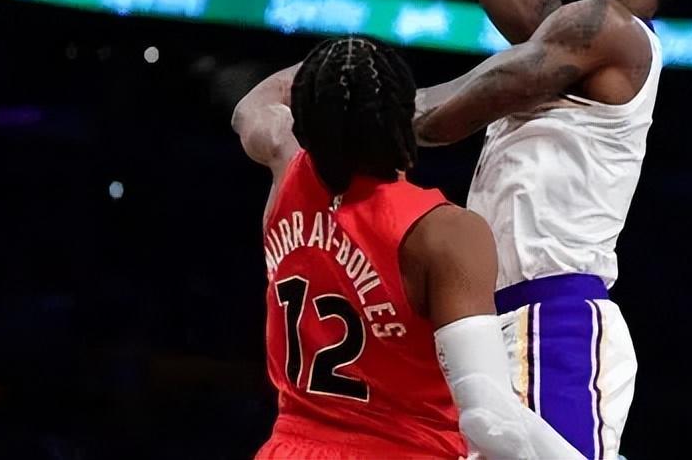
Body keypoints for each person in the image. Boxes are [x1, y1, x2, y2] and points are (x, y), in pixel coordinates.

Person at [414, 0, 691, 459]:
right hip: (490, 325)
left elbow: (444, 118)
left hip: (552, 320)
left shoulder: (611, 29)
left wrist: (358, 111)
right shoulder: (562, 30)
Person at [232, 36, 582, 459]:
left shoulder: (285, 164)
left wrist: (334, 69)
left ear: (304, 124)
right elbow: (490, 418)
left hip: (288, 449)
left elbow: (250, 106)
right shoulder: (442, 233)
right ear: (406, 117)